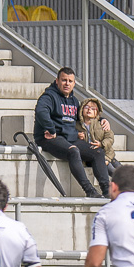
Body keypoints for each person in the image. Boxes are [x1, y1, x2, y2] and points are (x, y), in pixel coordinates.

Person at [35, 67, 108, 197]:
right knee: (73, 150)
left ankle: (107, 191)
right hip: (50, 138)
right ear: (57, 81)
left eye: (70, 81)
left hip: (70, 138)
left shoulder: (74, 101)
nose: (67, 84)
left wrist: (102, 120)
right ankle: (89, 191)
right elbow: (41, 111)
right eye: (64, 80)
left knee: (98, 152)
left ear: (74, 84)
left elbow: (83, 113)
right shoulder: (49, 96)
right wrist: (51, 129)